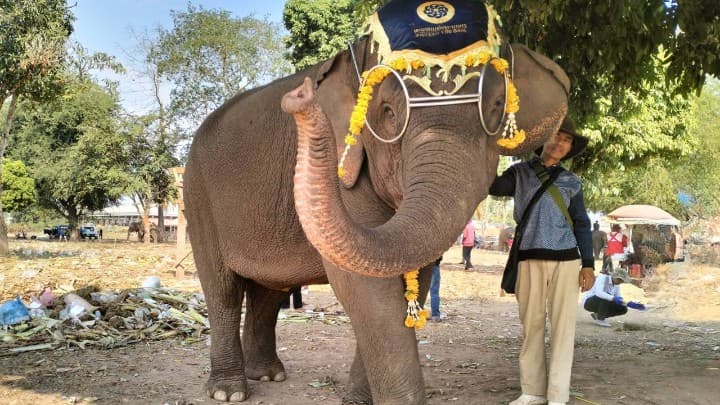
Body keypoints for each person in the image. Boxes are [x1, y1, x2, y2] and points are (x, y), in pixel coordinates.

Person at [489, 116, 595, 405]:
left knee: (563, 329)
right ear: (542, 139)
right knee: (531, 326)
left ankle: (558, 396)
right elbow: (493, 187)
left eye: (567, 140)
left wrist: (588, 264)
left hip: (567, 261)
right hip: (528, 259)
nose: (561, 143)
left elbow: (582, 224)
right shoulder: (519, 173)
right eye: (557, 136)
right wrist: (489, 147)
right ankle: (533, 391)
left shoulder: (571, 181)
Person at [427, 256, 444, 322]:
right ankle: (435, 316)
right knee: (434, 292)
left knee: (419, 291)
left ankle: (417, 314)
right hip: (434, 265)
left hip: (421, 267)